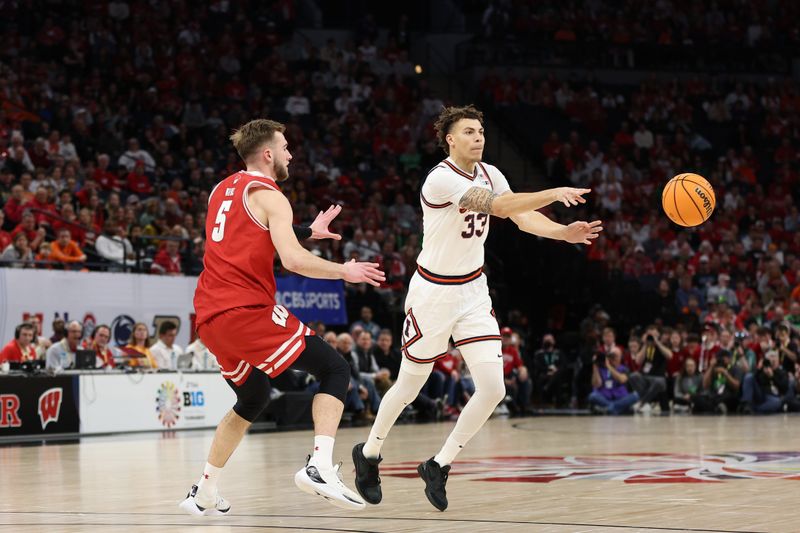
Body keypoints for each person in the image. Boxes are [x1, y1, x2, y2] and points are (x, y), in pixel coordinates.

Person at [353, 104, 601, 511]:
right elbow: (501, 208)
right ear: (450, 139)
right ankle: (368, 454)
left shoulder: (491, 172)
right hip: (432, 294)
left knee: (493, 388)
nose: (479, 136)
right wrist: (554, 192)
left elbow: (521, 217)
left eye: (481, 130)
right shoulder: (441, 179)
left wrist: (562, 233)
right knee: (410, 386)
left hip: (472, 292)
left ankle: (438, 464)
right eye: (469, 131)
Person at [180, 118, 384, 516]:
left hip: (209, 318)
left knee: (253, 397)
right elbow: (290, 260)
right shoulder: (272, 194)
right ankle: (320, 466)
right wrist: (343, 270)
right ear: (269, 153)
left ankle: (204, 490)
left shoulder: (219, 190)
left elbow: (253, 232)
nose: (291, 154)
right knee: (335, 369)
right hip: (246, 311)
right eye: (286, 147)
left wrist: (307, 229)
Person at [588, 348, 640, 415]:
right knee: (592, 396)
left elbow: (622, 380)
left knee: (635, 396)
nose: (613, 358)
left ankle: (609, 408)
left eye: (616, 356)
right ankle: (614, 408)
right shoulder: (600, 369)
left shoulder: (624, 369)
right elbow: (597, 385)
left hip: (620, 398)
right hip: (604, 397)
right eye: (611, 356)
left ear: (620, 357)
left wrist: (609, 366)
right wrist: (595, 366)